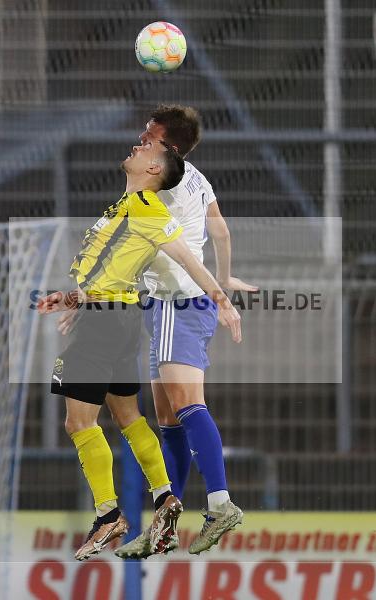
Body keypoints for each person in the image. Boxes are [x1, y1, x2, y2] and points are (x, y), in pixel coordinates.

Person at [37, 137, 242, 561]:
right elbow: (116, 269)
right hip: (118, 315)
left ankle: (108, 514)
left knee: (79, 424)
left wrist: (221, 298)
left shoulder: (148, 208)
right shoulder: (126, 206)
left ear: (153, 171)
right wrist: (75, 298)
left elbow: (186, 258)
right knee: (130, 417)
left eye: (148, 148)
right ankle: (166, 498)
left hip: (107, 324)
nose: (138, 146)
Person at [99, 104, 256, 558]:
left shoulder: (157, 189)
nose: (140, 140)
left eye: (148, 136)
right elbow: (220, 232)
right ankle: (165, 524)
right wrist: (224, 279)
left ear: (165, 150)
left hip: (175, 302)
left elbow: (156, 248)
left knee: (187, 406)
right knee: (168, 420)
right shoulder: (196, 178)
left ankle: (221, 503)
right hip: (180, 303)